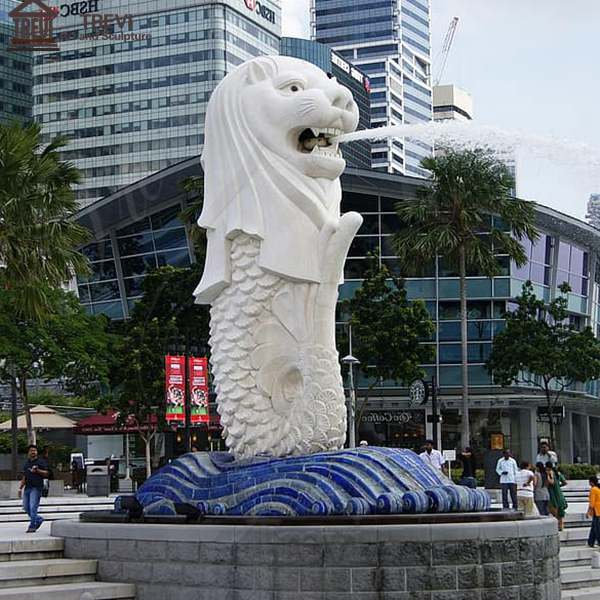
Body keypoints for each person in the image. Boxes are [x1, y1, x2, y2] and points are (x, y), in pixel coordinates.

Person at [18, 445, 50, 533]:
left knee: (33, 507)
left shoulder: (41, 462)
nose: (33, 452)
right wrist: (20, 488)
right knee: (25, 507)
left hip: (36, 488)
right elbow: (24, 476)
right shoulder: (27, 463)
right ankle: (38, 519)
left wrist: (38, 470)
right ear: (28, 452)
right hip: (27, 487)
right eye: (31, 451)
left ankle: (32, 526)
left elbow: (47, 473)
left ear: (37, 452)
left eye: (35, 451)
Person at [547, 462, 568, 531]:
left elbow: (551, 482)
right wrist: (559, 486)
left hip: (552, 493)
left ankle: (555, 527)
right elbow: (565, 482)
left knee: (554, 509)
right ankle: (561, 526)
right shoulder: (558, 473)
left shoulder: (550, 473)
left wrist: (547, 476)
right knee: (560, 510)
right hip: (559, 493)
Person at [587, 476, 600, 548]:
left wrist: (588, 512)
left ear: (591, 482)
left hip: (596, 510)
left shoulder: (593, 489)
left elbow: (592, 503)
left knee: (597, 528)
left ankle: (597, 541)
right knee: (594, 526)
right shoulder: (598, 489)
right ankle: (590, 542)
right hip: (598, 510)